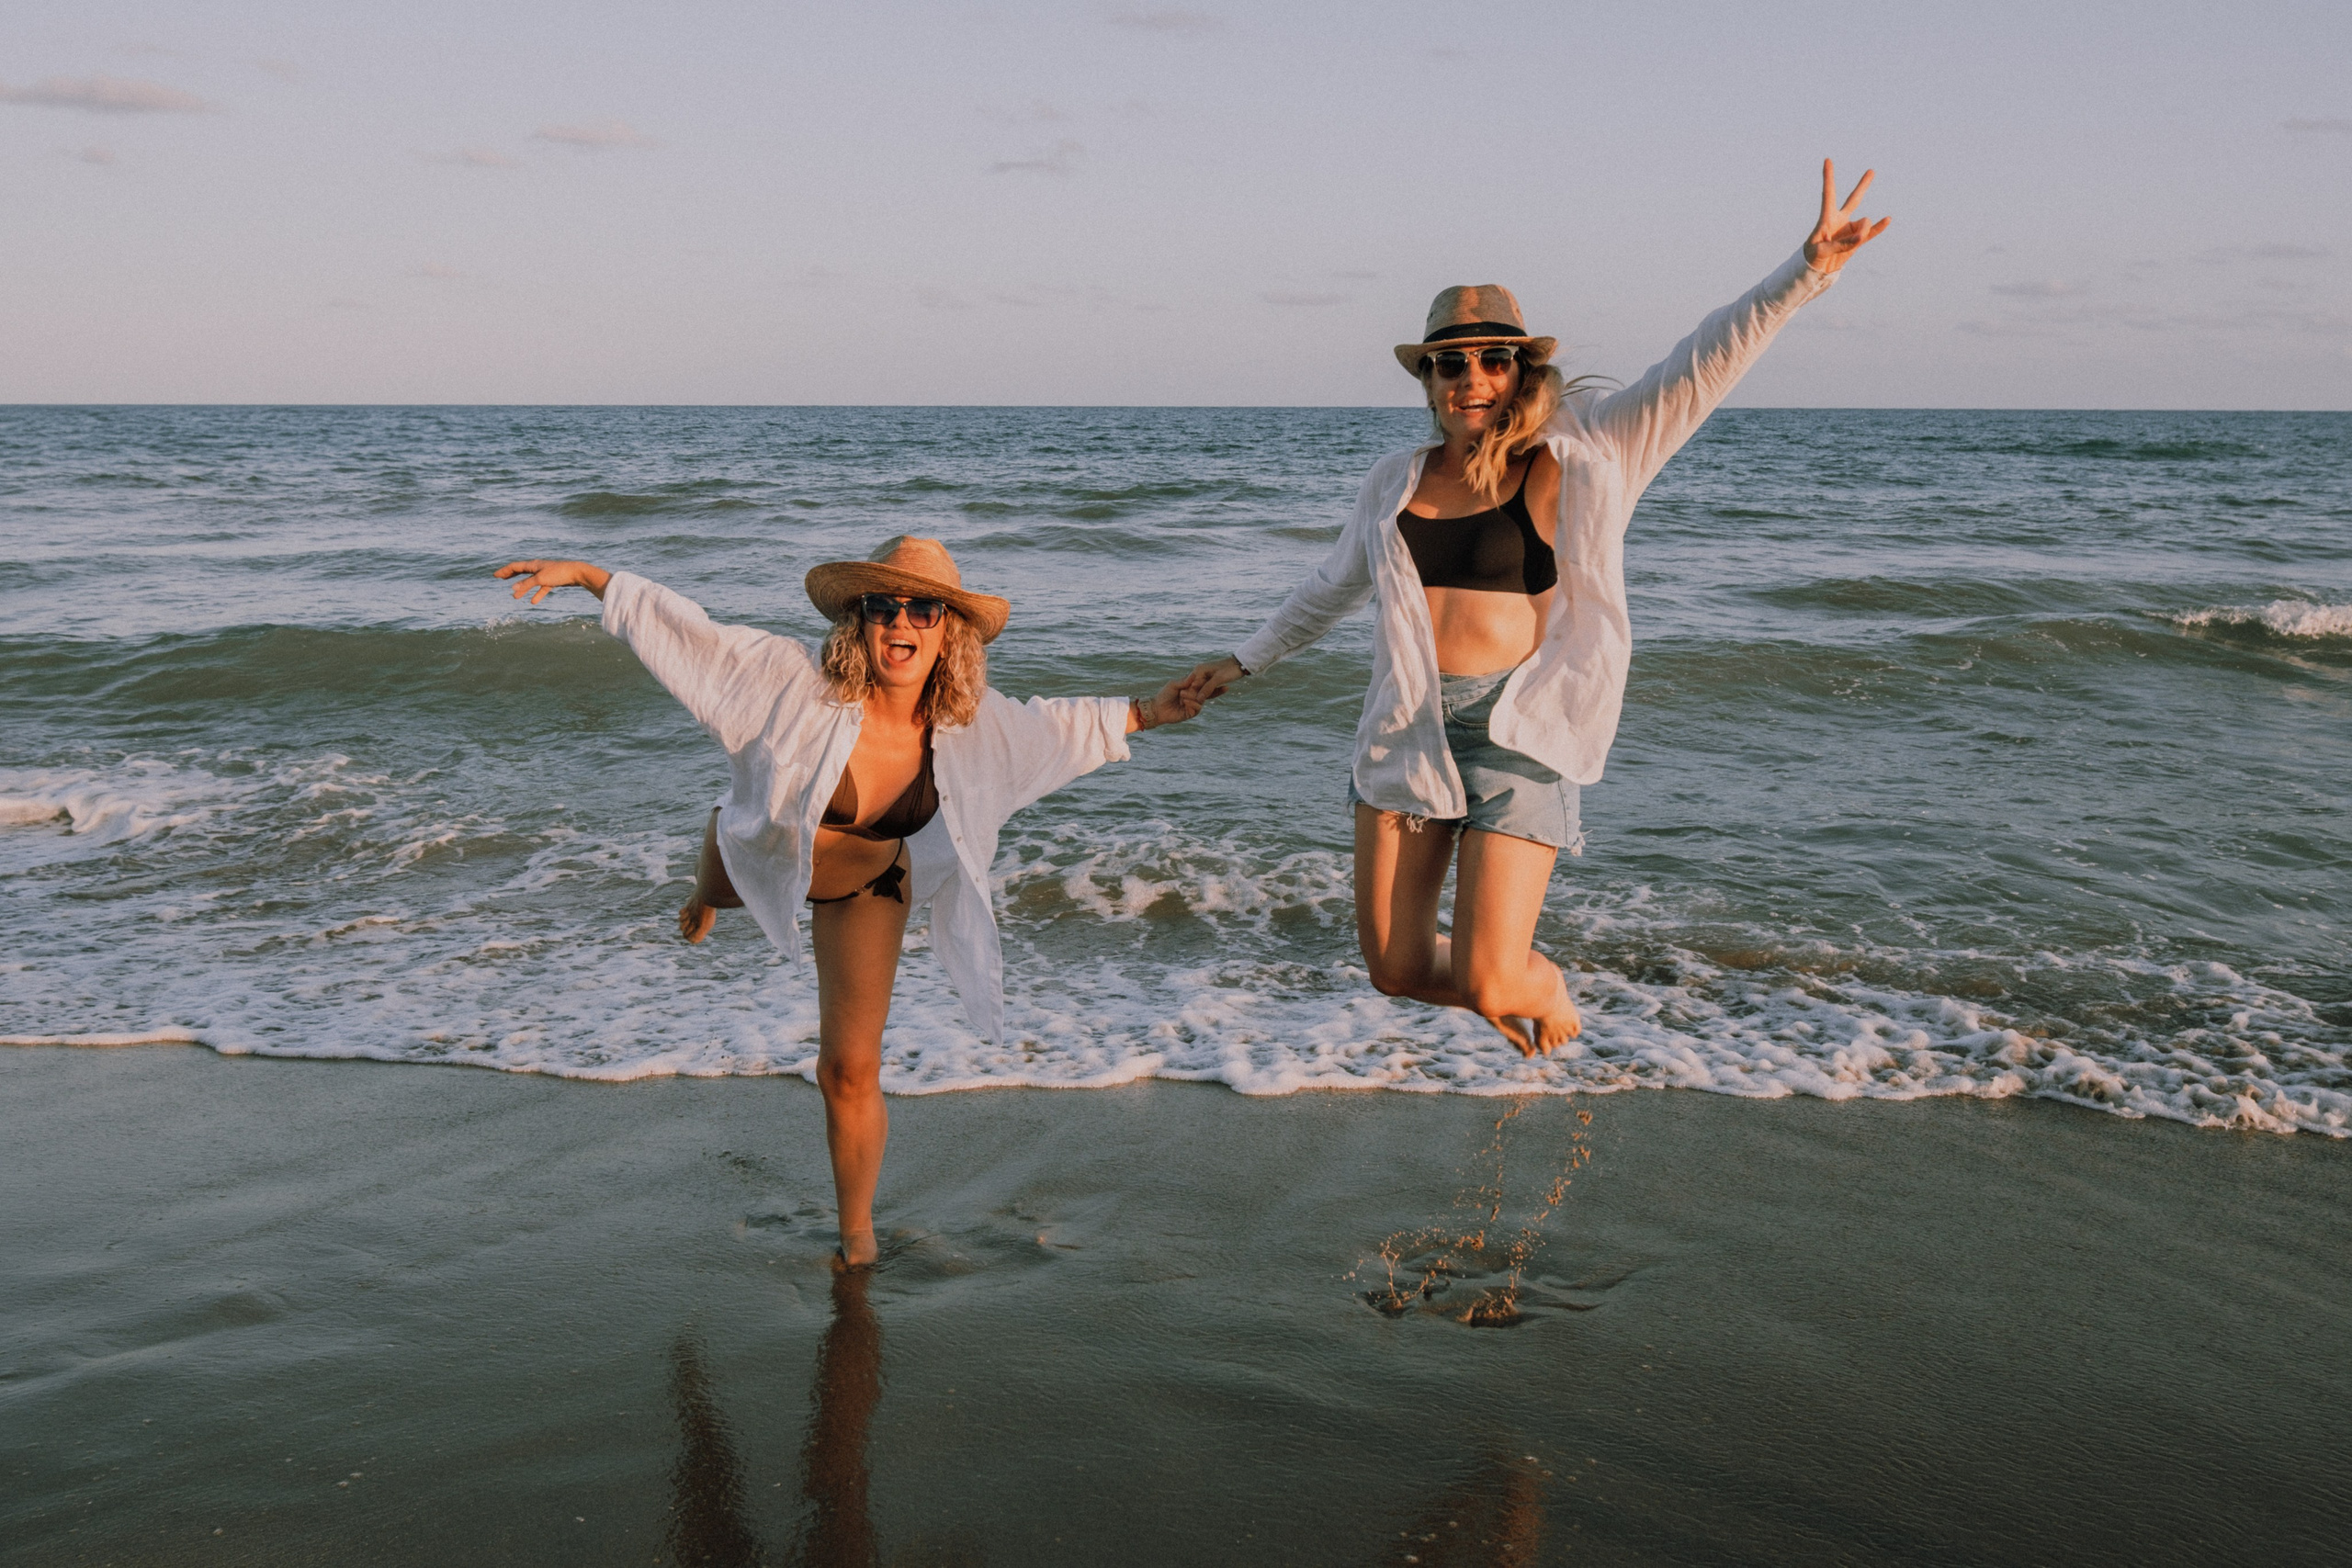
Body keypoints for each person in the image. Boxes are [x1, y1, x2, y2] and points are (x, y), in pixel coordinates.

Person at [1184, 161, 1890, 1056]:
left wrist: (1806, 271)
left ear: (1522, 369)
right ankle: (1502, 980)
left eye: (1493, 358)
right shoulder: (1395, 481)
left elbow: (1701, 364)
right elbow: (1329, 587)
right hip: (1407, 729)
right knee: (1394, 969)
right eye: (1449, 362)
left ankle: (1539, 983)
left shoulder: (1589, 449)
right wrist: (1241, 661)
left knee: (1489, 978)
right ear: (1428, 378)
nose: (1471, 376)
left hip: (1517, 731)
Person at [495, 536, 1203, 1266]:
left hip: (869, 881)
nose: (901, 620)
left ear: (948, 631)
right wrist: (591, 577)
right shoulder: (791, 682)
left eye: (922, 608)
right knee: (719, 886)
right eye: (882, 605)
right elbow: (690, 638)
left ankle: (857, 1236)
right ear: (858, 619)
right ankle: (706, 892)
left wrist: (1151, 710)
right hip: (767, 852)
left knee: (849, 1070)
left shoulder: (971, 725)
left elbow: (1055, 728)